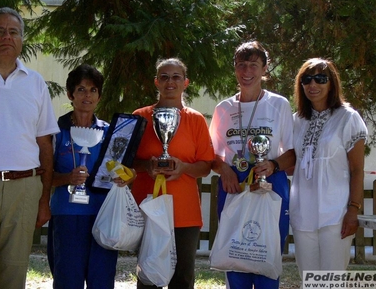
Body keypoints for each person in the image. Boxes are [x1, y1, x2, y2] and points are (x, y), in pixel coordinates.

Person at [0, 7, 60, 289]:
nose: (7, 37)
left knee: (13, 274)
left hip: (25, 188)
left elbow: (44, 144)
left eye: (13, 32)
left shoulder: (36, 83)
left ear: (21, 40)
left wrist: (43, 199)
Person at [209, 40, 295, 289]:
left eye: (253, 65)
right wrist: (224, 168)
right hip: (233, 183)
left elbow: (291, 153)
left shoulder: (279, 104)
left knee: (267, 256)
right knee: (235, 255)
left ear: (265, 69)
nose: (247, 72)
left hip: (270, 183)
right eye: (241, 65)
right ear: (235, 68)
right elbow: (211, 154)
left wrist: (273, 165)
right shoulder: (223, 108)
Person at [47, 64, 135, 289]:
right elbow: (44, 175)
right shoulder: (56, 130)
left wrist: (127, 176)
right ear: (70, 94)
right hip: (67, 216)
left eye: (93, 90)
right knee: (68, 281)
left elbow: (126, 170)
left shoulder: (111, 133)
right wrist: (67, 178)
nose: (87, 95)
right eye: (81, 89)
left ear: (99, 96)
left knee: (102, 281)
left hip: (104, 216)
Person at [131, 58, 215, 289]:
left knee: (182, 279)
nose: (170, 82)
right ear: (156, 82)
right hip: (148, 209)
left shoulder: (196, 120)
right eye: (164, 77)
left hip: (184, 213)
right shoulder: (139, 116)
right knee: (148, 278)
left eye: (176, 77)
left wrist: (184, 168)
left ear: (185, 82)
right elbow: (126, 161)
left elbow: (206, 166)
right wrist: (146, 166)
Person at [290, 58, 368, 279]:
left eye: (320, 79)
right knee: (310, 280)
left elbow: (357, 170)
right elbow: (291, 160)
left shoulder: (348, 118)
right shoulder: (297, 121)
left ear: (332, 83)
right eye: (307, 79)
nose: (312, 85)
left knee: (331, 281)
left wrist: (353, 209)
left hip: (336, 214)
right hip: (303, 213)